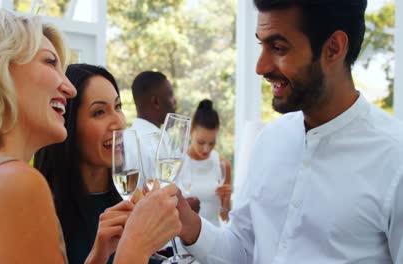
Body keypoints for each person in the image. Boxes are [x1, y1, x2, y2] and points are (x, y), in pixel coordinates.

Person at [0, 10, 181, 264]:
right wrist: (136, 245)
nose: (70, 88)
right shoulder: (14, 182)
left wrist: (97, 257)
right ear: (0, 69)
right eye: (51, 62)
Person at [176, 0, 403, 263]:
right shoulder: (270, 140)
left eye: (278, 48)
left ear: (333, 48)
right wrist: (187, 223)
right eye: (262, 45)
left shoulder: (395, 157)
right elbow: (243, 248)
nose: (260, 67)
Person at [34, 64, 165, 264]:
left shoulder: (131, 198)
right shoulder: (44, 211)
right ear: (69, 125)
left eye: (118, 107)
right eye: (99, 112)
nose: (119, 123)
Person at [178, 99, 232, 226]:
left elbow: (224, 216)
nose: (206, 149)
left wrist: (226, 199)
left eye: (212, 143)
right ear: (191, 132)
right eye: (201, 142)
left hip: (214, 235)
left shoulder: (223, 165)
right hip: (184, 236)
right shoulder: (177, 163)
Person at [130, 71, 177, 135]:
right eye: (171, 95)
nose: (175, 101)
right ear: (156, 102)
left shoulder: (125, 138)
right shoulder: (153, 141)